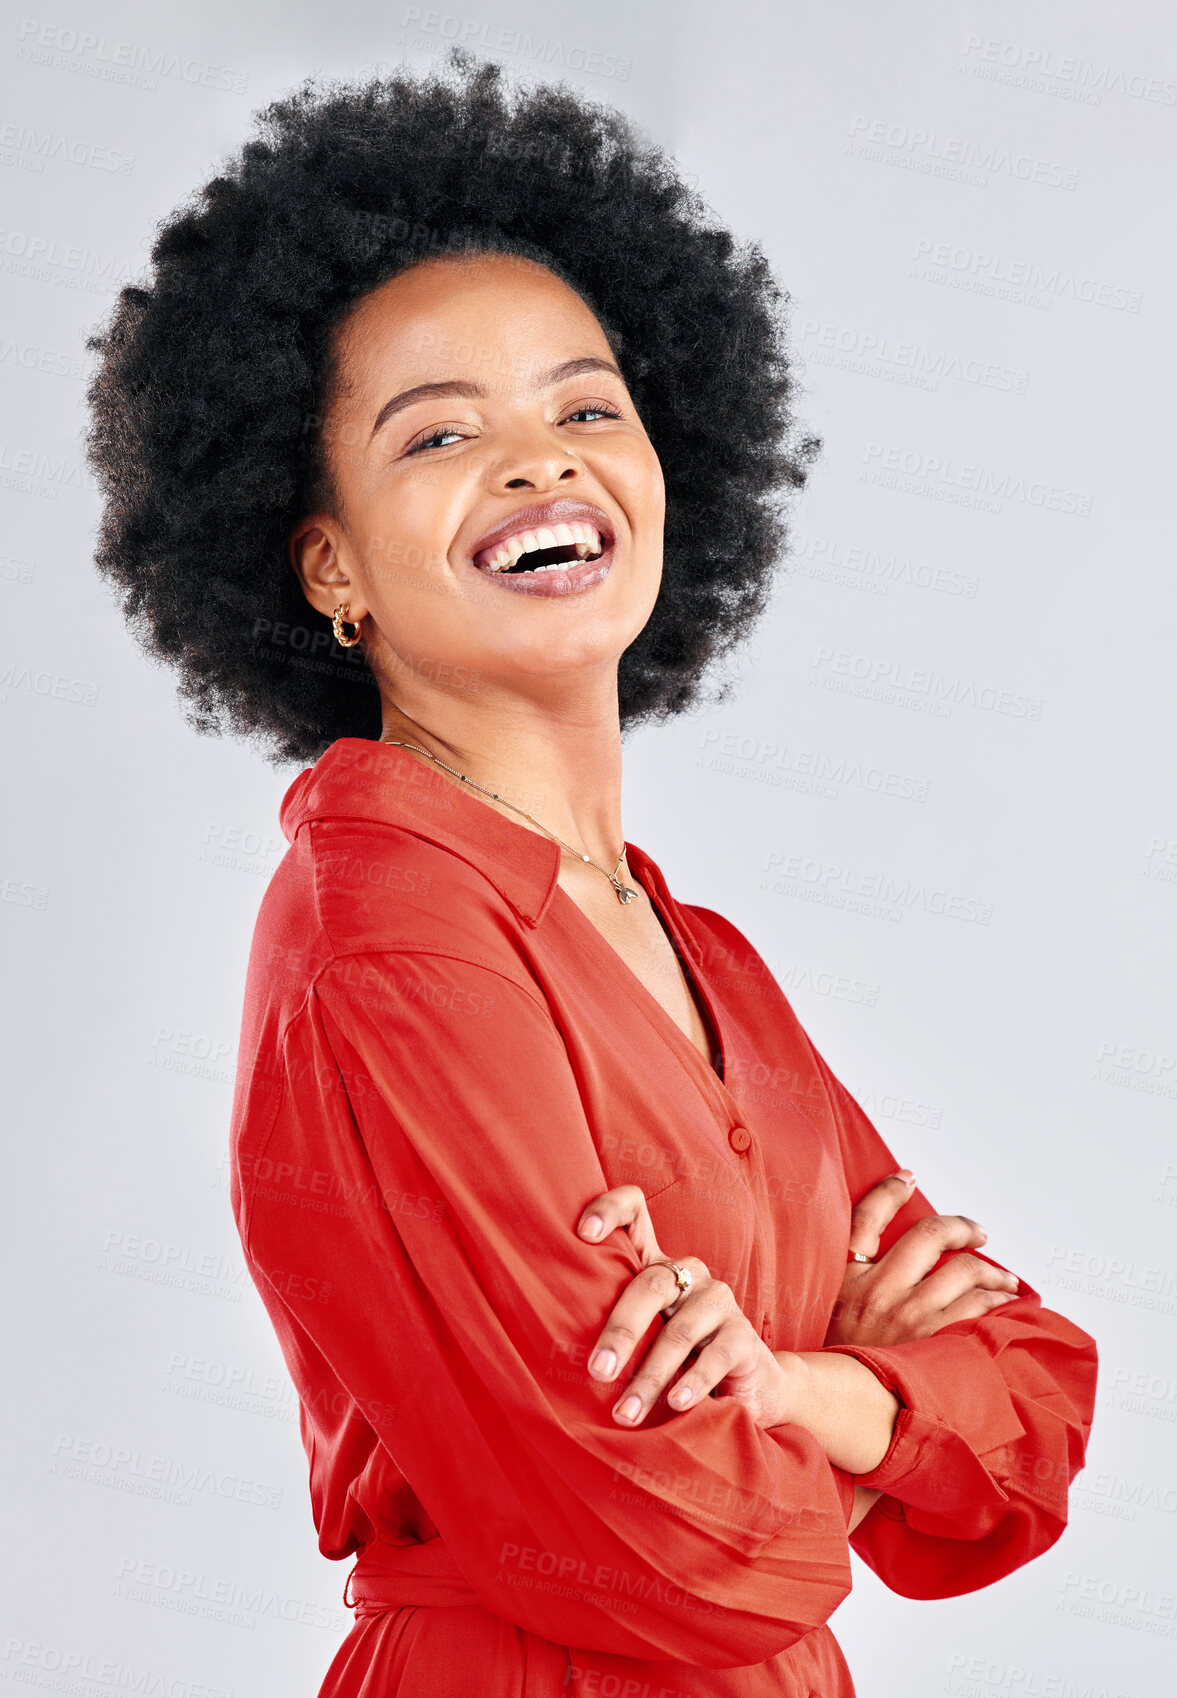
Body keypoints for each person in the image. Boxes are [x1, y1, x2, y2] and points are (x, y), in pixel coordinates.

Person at [84, 50, 1098, 1698]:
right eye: (437, 435)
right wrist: (867, 1395)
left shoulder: (699, 952)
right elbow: (671, 1543)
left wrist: (787, 1391)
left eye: (583, 406)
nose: (541, 463)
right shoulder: (387, 933)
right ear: (326, 560)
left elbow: (1037, 1415)